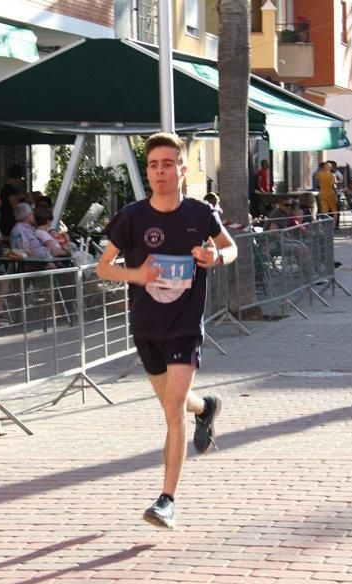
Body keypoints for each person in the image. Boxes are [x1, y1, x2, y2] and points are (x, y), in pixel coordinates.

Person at [95, 132, 236, 530]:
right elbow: (103, 268)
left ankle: (166, 500)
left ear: (181, 169)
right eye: (154, 165)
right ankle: (206, 407)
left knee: (171, 412)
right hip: (146, 327)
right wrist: (136, 273)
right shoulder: (132, 217)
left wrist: (216, 256)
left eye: (168, 164)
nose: (160, 171)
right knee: (175, 404)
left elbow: (231, 247)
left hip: (185, 328)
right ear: (148, 171)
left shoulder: (198, 215)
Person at [0, 165, 25, 239]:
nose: (20, 181)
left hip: (5, 222)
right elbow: (16, 207)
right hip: (9, 223)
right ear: (17, 178)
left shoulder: (5, 189)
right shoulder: (10, 190)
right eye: (21, 178)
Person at [316, 161, 339, 230]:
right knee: (334, 211)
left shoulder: (319, 174)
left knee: (324, 211)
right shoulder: (332, 175)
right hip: (331, 194)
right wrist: (336, 195)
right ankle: (333, 226)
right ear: (330, 168)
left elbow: (317, 181)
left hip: (322, 194)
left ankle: (324, 226)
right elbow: (334, 186)